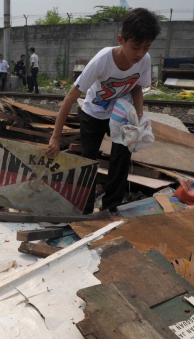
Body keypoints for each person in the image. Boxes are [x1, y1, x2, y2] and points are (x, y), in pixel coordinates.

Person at [45, 8, 160, 214]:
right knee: (88, 160)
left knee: (121, 158)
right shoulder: (102, 61)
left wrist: (140, 120)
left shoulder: (144, 59)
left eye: (146, 47)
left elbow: (137, 88)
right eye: (136, 47)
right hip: (94, 114)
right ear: (121, 40)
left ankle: (111, 207)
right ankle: (86, 210)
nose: (141, 53)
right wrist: (55, 137)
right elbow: (70, 97)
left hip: (122, 114)